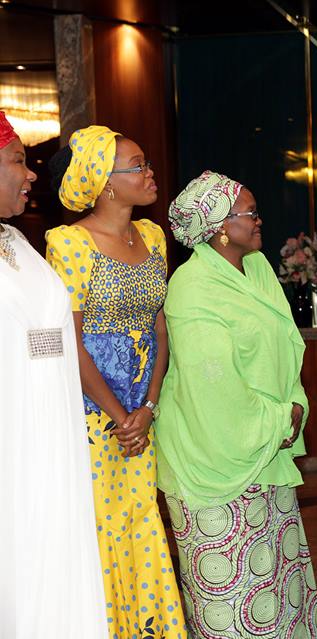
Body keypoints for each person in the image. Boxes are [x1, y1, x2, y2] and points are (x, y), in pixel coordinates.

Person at [156, 170, 317, 637]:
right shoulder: (191, 286)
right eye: (249, 212)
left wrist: (293, 402)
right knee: (233, 606)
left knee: (278, 595)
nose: (258, 219)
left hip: (267, 448)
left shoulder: (259, 268)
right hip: (213, 461)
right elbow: (213, 383)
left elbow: (287, 345)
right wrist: (276, 417)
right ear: (219, 226)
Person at [45, 125, 185, 638]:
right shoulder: (67, 243)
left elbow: (160, 327)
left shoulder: (152, 237)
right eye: (138, 165)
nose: (150, 173)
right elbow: (72, 343)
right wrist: (119, 414)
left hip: (142, 415)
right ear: (105, 183)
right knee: (103, 527)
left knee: (144, 522)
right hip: (94, 418)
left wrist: (147, 406)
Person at [0, 113, 108, 638]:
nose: (31, 174)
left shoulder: (18, 243)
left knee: (56, 544)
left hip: (54, 433)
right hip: (12, 440)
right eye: (19, 160)